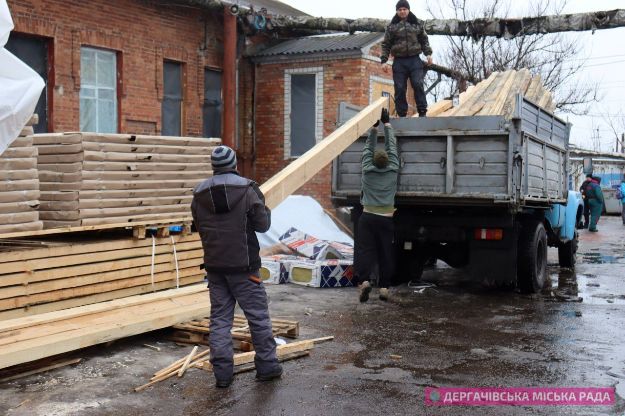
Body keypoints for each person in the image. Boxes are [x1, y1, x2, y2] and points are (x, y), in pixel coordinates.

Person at [191, 145, 282, 388]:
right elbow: (262, 226)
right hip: (245, 268)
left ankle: (222, 375)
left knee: (220, 319)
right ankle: (268, 367)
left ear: (213, 166)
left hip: (215, 267)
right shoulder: (248, 189)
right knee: (258, 318)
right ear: (234, 164)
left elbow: (198, 226)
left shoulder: (199, 193)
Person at [355, 108, 400, 302]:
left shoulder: (367, 170)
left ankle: (365, 281)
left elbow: (368, 149)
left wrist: (374, 128)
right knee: (385, 252)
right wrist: (388, 124)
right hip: (386, 219)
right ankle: (384, 287)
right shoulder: (393, 170)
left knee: (366, 251)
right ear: (388, 161)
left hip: (367, 217)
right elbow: (393, 147)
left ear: (372, 161)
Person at [380, 0, 433, 118]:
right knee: (399, 87)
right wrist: (384, 60)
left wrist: (428, 54)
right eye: (400, 10)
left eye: (404, 9)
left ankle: (422, 111)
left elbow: (424, 40)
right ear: (397, 11)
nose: (402, 11)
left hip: (414, 60)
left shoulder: (417, 23)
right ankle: (402, 114)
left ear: (408, 10)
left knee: (417, 83)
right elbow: (386, 44)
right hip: (399, 61)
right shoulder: (392, 26)